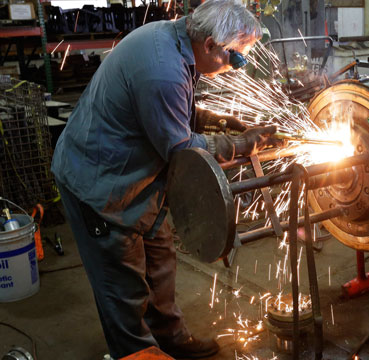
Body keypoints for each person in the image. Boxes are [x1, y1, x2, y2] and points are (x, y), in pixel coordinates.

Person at [51, 1, 277, 358]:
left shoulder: (177, 41)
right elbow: (182, 151)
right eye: (235, 59)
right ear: (209, 46)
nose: (237, 68)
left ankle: (171, 339)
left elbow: (175, 107)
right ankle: (139, 352)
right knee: (123, 288)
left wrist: (216, 120)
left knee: (159, 262)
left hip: (140, 181)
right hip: (101, 186)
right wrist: (241, 144)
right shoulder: (162, 69)